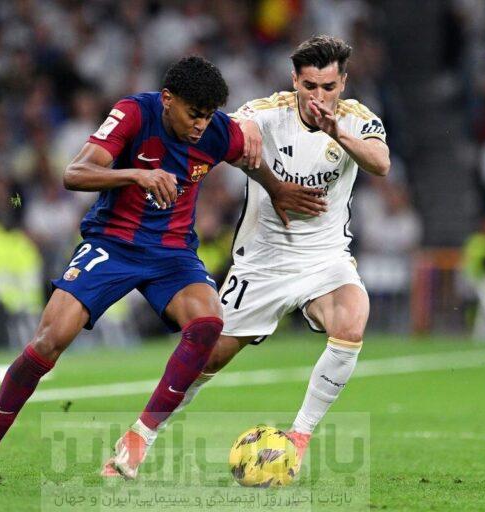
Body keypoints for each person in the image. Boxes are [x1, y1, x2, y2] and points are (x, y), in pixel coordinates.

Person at [0, 56, 326, 479]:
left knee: (208, 322)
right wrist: (137, 175)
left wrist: (276, 189)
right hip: (112, 245)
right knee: (48, 341)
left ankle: (139, 437)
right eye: (194, 113)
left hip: (172, 254)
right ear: (168, 99)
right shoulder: (134, 113)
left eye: (208, 115)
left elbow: (249, 156)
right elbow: (75, 173)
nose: (201, 125)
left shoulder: (217, 131)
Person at [166, 36, 391, 475]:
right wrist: (245, 129)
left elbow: (380, 163)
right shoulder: (269, 112)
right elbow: (229, 127)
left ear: (343, 83)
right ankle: (143, 434)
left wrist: (337, 133)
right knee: (207, 358)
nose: (319, 97)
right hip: (263, 262)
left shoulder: (358, 120)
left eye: (328, 87)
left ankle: (299, 437)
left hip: (324, 258)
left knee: (352, 320)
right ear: (294, 81)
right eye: (310, 86)